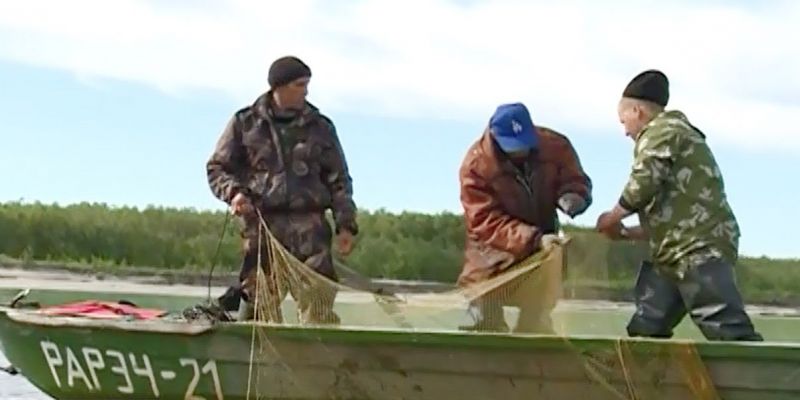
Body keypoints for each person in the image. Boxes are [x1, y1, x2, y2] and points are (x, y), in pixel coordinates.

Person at [596, 69, 762, 341]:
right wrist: (626, 233)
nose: (625, 131)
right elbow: (669, 217)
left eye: (623, 120)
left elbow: (644, 182)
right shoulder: (679, 136)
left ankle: (770, 380)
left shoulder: (661, 131)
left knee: (726, 327)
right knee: (646, 329)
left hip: (698, 251)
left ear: (637, 111)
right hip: (671, 255)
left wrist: (612, 218)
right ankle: (647, 383)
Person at [206, 55, 358, 324]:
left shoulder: (320, 127)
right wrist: (235, 194)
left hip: (310, 231)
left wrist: (345, 225)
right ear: (280, 86)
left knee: (319, 310)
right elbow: (217, 168)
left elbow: (339, 181)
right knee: (258, 313)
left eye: (307, 84)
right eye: (300, 85)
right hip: (263, 229)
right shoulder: (246, 123)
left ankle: (318, 365)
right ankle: (254, 366)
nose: (306, 91)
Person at [458, 102, 592, 333]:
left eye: (525, 143)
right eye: (512, 145)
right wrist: (534, 239)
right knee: (484, 315)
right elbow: (483, 221)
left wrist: (573, 196)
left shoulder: (556, 146)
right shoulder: (475, 166)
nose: (520, 150)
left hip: (545, 239)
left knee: (536, 318)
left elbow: (575, 178)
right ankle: (485, 328)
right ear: (494, 136)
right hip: (490, 249)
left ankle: (535, 334)